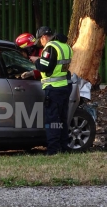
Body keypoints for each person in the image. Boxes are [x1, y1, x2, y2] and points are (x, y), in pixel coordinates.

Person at [29, 26, 73, 155]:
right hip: (65, 86)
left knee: (52, 121)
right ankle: (63, 147)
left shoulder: (50, 47)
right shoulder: (65, 46)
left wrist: (36, 61)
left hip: (54, 89)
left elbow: (45, 66)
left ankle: (53, 150)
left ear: (43, 37)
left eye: (40, 41)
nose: (41, 44)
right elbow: (57, 66)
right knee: (62, 119)